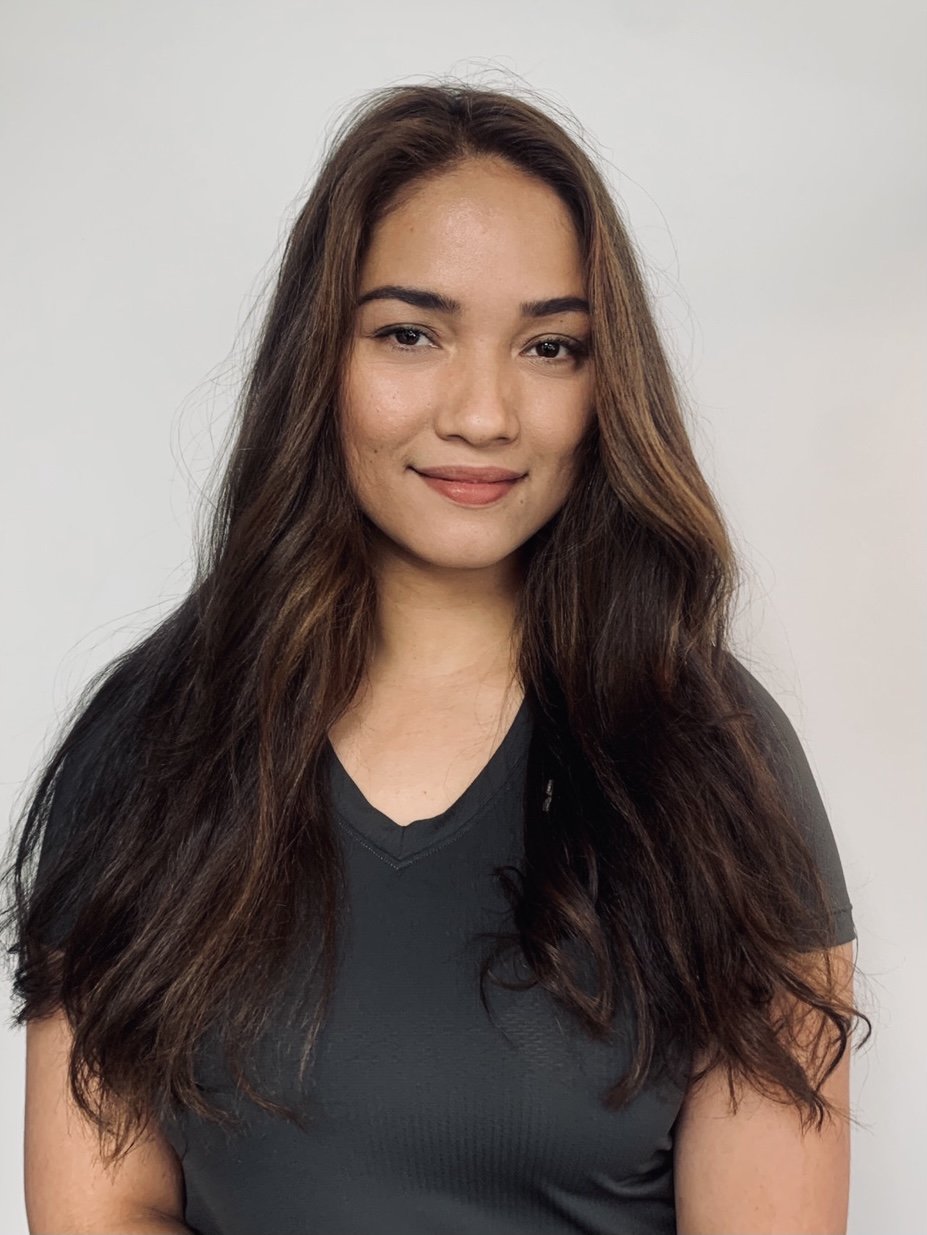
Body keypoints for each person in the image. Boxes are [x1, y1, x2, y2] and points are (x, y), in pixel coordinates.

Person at [2, 81, 870, 1235]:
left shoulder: (719, 758)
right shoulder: (151, 740)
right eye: (411, 333)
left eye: (552, 346)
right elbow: (103, 1211)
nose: (482, 412)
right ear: (324, 357)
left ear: (605, 387)